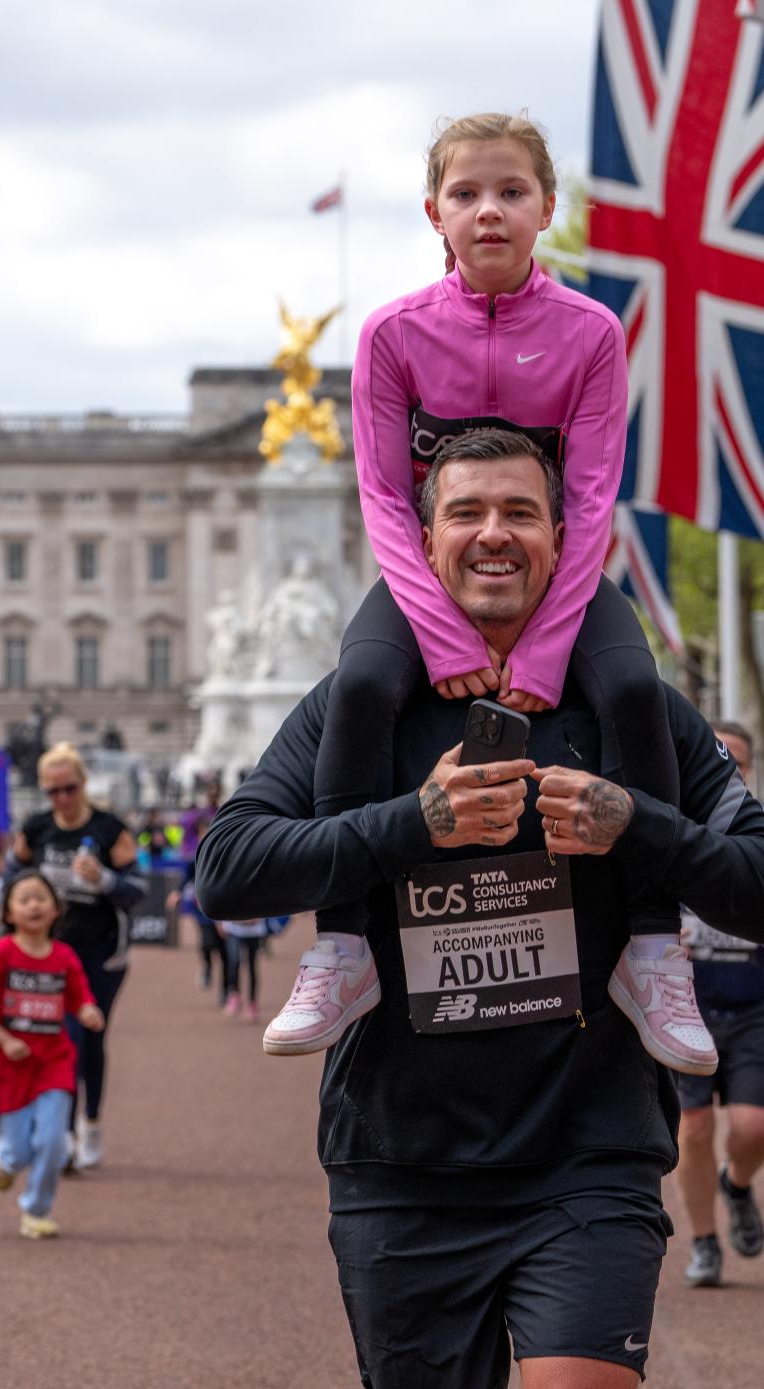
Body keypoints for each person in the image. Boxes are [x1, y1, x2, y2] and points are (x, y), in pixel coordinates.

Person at [197, 432, 764, 1387]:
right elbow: (227, 867)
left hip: (588, 1151)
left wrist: (639, 826)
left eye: (519, 512)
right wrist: (413, 823)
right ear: (423, 543)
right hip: (400, 1165)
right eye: (465, 512)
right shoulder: (358, 707)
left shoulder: (635, 711)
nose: (492, 534)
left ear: (560, 537)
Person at [266, 110, 711, 1072]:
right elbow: (386, 500)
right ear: (436, 213)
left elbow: (590, 501)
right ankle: (342, 944)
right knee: (362, 689)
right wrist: (449, 638)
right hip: (426, 581)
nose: (490, 211)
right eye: (467, 194)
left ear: (547, 207)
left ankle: (651, 943)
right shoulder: (391, 332)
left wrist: (544, 646)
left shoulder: (591, 332)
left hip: (565, 578)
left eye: (512, 191)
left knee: (636, 692)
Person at [7, 742, 146, 1170]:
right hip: (51, 952)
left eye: (68, 789)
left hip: (101, 953)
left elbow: (138, 889)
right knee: (60, 1038)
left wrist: (103, 879)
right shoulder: (36, 828)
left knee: (90, 1041)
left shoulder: (108, 829)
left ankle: (91, 1123)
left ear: (83, 785)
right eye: (52, 791)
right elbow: (12, 875)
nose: (61, 799)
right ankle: (63, 1134)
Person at [0, 870, 104, 1239]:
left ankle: (37, 1210)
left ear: (56, 909)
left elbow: (79, 996)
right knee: (20, 1149)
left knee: (54, 1142)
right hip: (11, 1067)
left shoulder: (64, 956)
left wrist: (88, 1010)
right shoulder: (0, 954)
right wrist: (5, 1040)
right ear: (8, 913)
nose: (34, 905)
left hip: (54, 1063)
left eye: (41, 897)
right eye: (24, 899)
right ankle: (6, 1160)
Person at [677, 719, 764, 1288]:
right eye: (717, 754)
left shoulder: (756, 838)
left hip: (753, 1012)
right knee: (695, 1129)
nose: (725, 762)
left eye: (735, 756)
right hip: (689, 1010)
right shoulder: (673, 834)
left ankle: (737, 1186)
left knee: (753, 1129)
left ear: (749, 768)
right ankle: (705, 1243)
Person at [165, 817, 231, 1004]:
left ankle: (226, 991)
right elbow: (185, 878)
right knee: (207, 944)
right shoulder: (196, 857)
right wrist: (176, 893)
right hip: (202, 910)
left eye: (208, 831)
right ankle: (208, 967)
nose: (205, 836)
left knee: (226, 954)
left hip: (225, 913)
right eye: (202, 832)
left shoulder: (225, 856)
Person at [220, 918, 270, 1022]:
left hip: (254, 931)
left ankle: (252, 1003)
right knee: (234, 962)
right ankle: (234, 995)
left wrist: (257, 917)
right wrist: (221, 922)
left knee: (252, 966)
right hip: (234, 929)